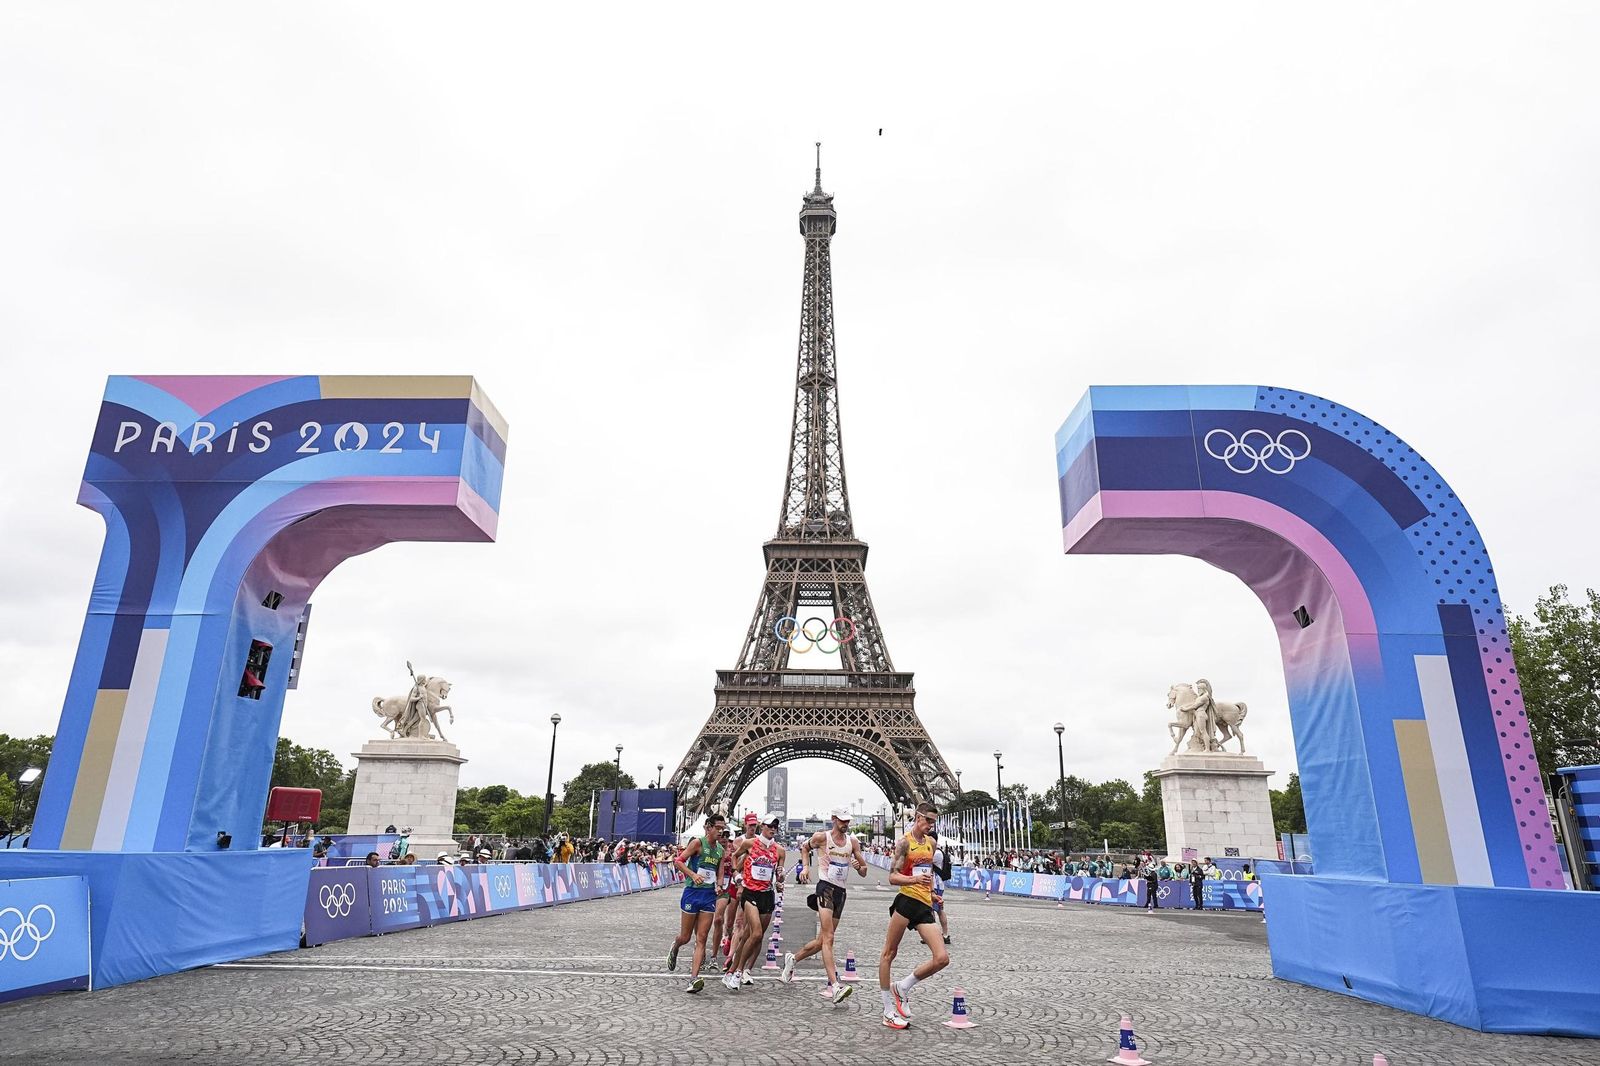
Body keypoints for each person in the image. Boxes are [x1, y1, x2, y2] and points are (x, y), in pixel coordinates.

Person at [878, 801, 951, 1030]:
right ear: (918, 817)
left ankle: (902, 986)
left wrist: (931, 894)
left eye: (933, 822)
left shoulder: (931, 843)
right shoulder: (904, 843)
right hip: (906, 901)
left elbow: (926, 871)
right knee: (889, 953)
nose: (931, 825)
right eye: (928, 820)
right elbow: (893, 877)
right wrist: (914, 881)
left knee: (941, 958)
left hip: (923, 905)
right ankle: (888, 1011)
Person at [783, 807, 866, 1003]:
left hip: (841, 893)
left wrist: (859, 866)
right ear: (834, 819)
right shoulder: (822, 837)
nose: (845, 824)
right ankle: (835, 986)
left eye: (848, 821)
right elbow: (804, 847)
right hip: (825, 888)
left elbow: (863, 870)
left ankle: (792, 959)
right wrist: (804, 867)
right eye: (842, 820)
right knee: (829, 938)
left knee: (822, 941)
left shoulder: (852, 842)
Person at [722, 811, 786, 991]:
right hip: (750, 893)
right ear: (762, 827)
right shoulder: (750, 843)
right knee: (756, 933)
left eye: (776, 826)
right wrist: (736, 875)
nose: (773, 829)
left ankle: (732, 971)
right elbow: (734, 857)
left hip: (767, 894)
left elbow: (779, 874)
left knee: (754, 937)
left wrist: (780, 881)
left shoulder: (780, 850)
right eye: (770, 826)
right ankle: (738, 973)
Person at [669, 813, 725, 994]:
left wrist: (719, 885)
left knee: (701, 939)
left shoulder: (721, 851)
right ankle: (676, 946)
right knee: (685, 937)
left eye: (723, 828)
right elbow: (678, 861)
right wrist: (692, 875)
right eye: (718, 828)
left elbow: (720, 872)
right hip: (692, 893)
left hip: (708, 896)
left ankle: (693, 979)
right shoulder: (697, 844)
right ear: (708, 827)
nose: (720, 831)